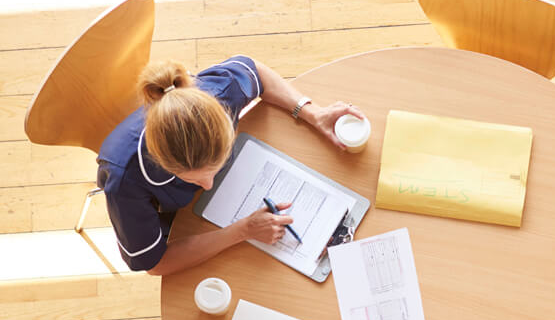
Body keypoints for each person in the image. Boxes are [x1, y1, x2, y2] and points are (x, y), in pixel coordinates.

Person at [98, 55, 366, 274]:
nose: (209, 185)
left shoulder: (217, 93)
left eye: (216, 167)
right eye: (193, 180)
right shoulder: (123, 180)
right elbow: (155, 264)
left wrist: (311, 112)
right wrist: (242, 231)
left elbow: (257, 72)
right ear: (160, 163)